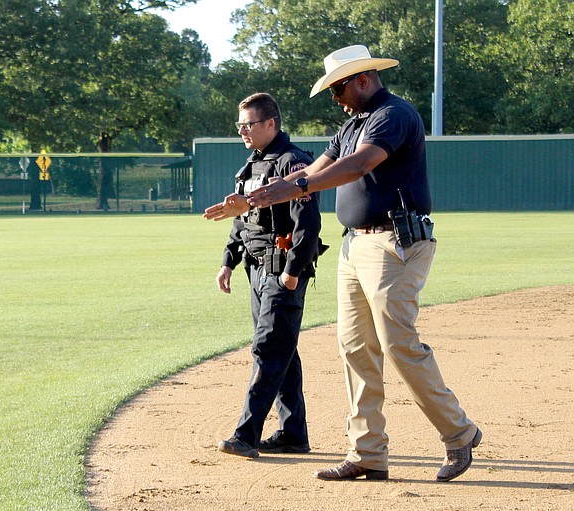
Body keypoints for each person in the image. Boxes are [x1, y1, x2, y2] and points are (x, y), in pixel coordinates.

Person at [204, 46, 481, 482]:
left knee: (398, 344)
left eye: (338, 88)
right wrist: (254, 197)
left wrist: (295, 187)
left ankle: (459, 432)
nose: (336, 98)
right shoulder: (350, 124)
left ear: (364, 79)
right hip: (355, 247)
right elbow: (312, 170)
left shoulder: (395, 114)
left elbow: (360, 164)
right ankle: (368, 452)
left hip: (395, 243)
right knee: (354, 348)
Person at [214, 92, 325, 459]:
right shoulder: (252, 165)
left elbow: (308, 223)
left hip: (282, 272)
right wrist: (229, 260)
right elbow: (243, 219)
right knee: (283, 353)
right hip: (256, 270)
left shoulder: (295, 164)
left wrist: (293, 272)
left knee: (269, 350)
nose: (242, 131)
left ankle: (246, 434)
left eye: (248, 124)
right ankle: (293, 434)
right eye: (239, 125)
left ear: (271, 124)